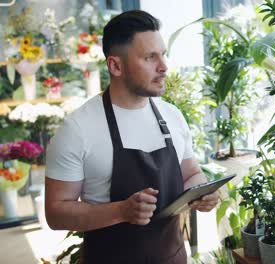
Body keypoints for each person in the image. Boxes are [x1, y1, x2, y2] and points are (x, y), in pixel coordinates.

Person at [45, 10, 218, 264]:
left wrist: (202, 192)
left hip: (173, 258)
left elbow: (191, 173)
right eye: (150, 57)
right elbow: (56, 213)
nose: (164, 67)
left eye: (163, 55)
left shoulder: (173, 116)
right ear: (115, 65)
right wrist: (121, 211)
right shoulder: (78, 128)